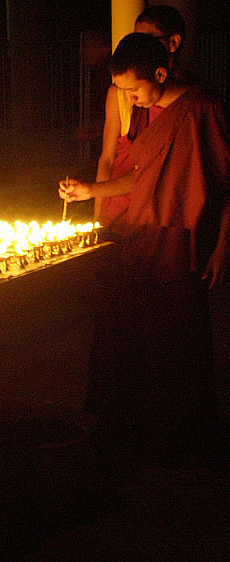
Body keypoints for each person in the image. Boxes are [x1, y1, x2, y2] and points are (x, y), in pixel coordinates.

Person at [59, 33, 230, 472]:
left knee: (179, 347)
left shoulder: (201, 109)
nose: (131, 102)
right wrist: (90, 190)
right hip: (140, 238)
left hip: (180, 243)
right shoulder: (148, 114)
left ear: (160, 73)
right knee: (129, 340)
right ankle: (134, 441)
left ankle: (186, 451)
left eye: (134, 91)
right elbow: (140, 177)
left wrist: (221, 249)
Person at [95, 5, 188, 231]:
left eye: (149, 39)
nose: (142, 46)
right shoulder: (123, 94)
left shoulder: (191, 103)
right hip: (120, 208)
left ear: (173, 43)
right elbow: (107, 159)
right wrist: (97, 219)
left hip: (162, 215)